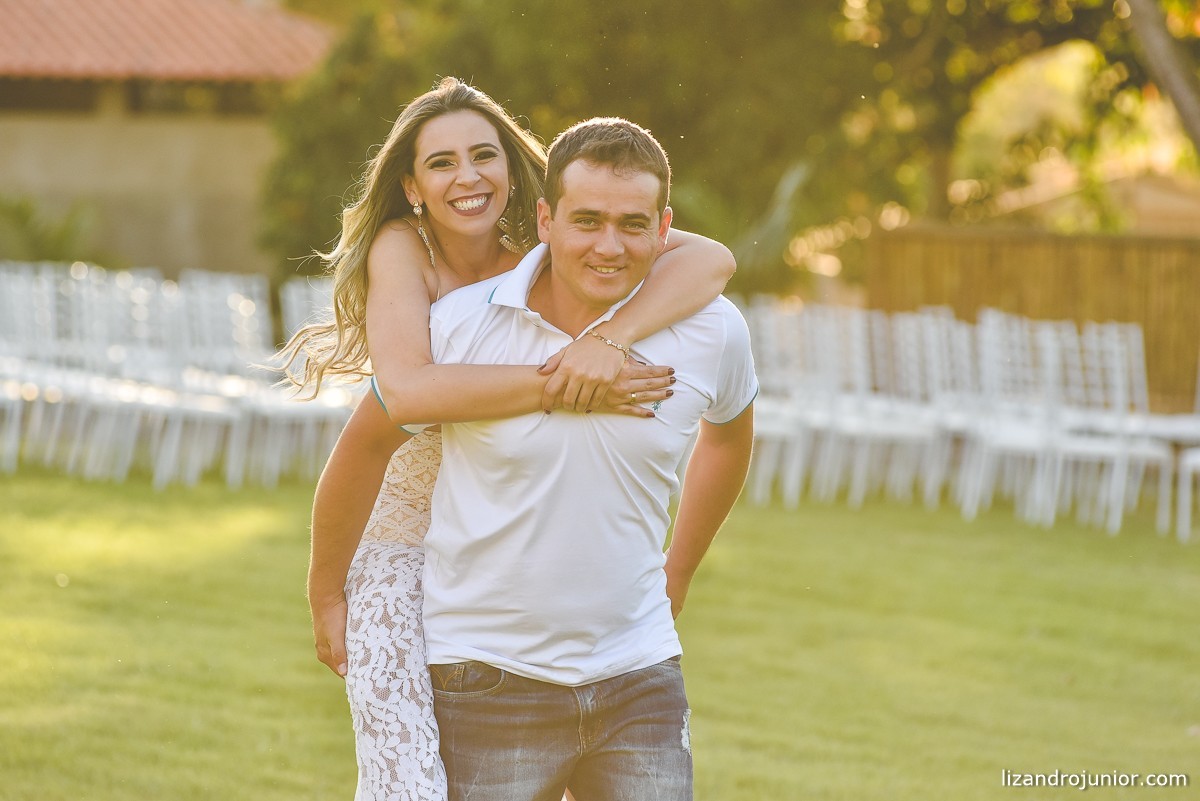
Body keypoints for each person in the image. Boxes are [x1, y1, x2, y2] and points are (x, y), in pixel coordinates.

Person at [280, 78, 737, 800]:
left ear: (515, 169)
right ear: (411, 185)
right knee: (408, 784)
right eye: (441, 163)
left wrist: (608, 340)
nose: (467, 177)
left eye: (483, 155)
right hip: (408, 537)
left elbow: (711, 259)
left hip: (520, 533)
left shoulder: (555, 237)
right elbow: (402, 398)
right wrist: (324, 592)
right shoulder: (410, 254)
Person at [423, 117, 757, 800]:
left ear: (665, 229)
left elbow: (728, 435)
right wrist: (326, 592)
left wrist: (679, 568)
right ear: (546, 219)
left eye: (633, 225)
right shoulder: (462, 323)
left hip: (639, 672)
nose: (610, 245)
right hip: (486, 677)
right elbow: (369, 441)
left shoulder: (714, 327)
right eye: (587, 220)